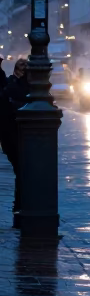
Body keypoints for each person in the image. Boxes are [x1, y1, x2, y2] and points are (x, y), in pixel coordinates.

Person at [0, 58, 30, 206]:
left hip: (14, 135)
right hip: (13, 134)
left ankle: (20, 207)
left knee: (22, 172)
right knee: (22, 171)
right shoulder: (12, 86)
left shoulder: (12, 85)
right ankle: (20, 206)